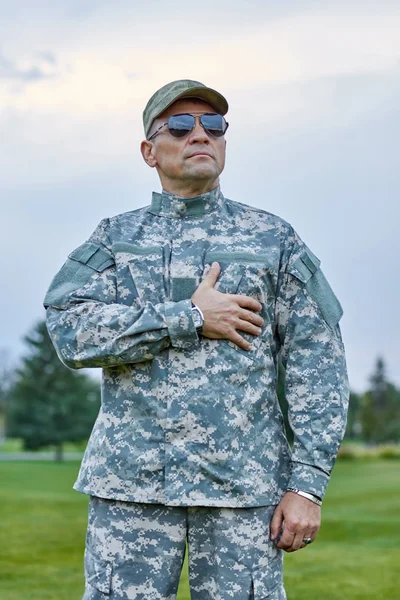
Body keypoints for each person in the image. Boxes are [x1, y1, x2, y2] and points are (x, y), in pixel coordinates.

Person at [44, 79, 349, 600]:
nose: (200, 135)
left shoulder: (272, 240)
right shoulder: (116, 239)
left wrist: (306, 485)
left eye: (214, 126)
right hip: (132, 489)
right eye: (181, 126)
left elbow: (317, 367)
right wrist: (184, 316)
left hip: (241, 490)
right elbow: (69, 332)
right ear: (149, 151)